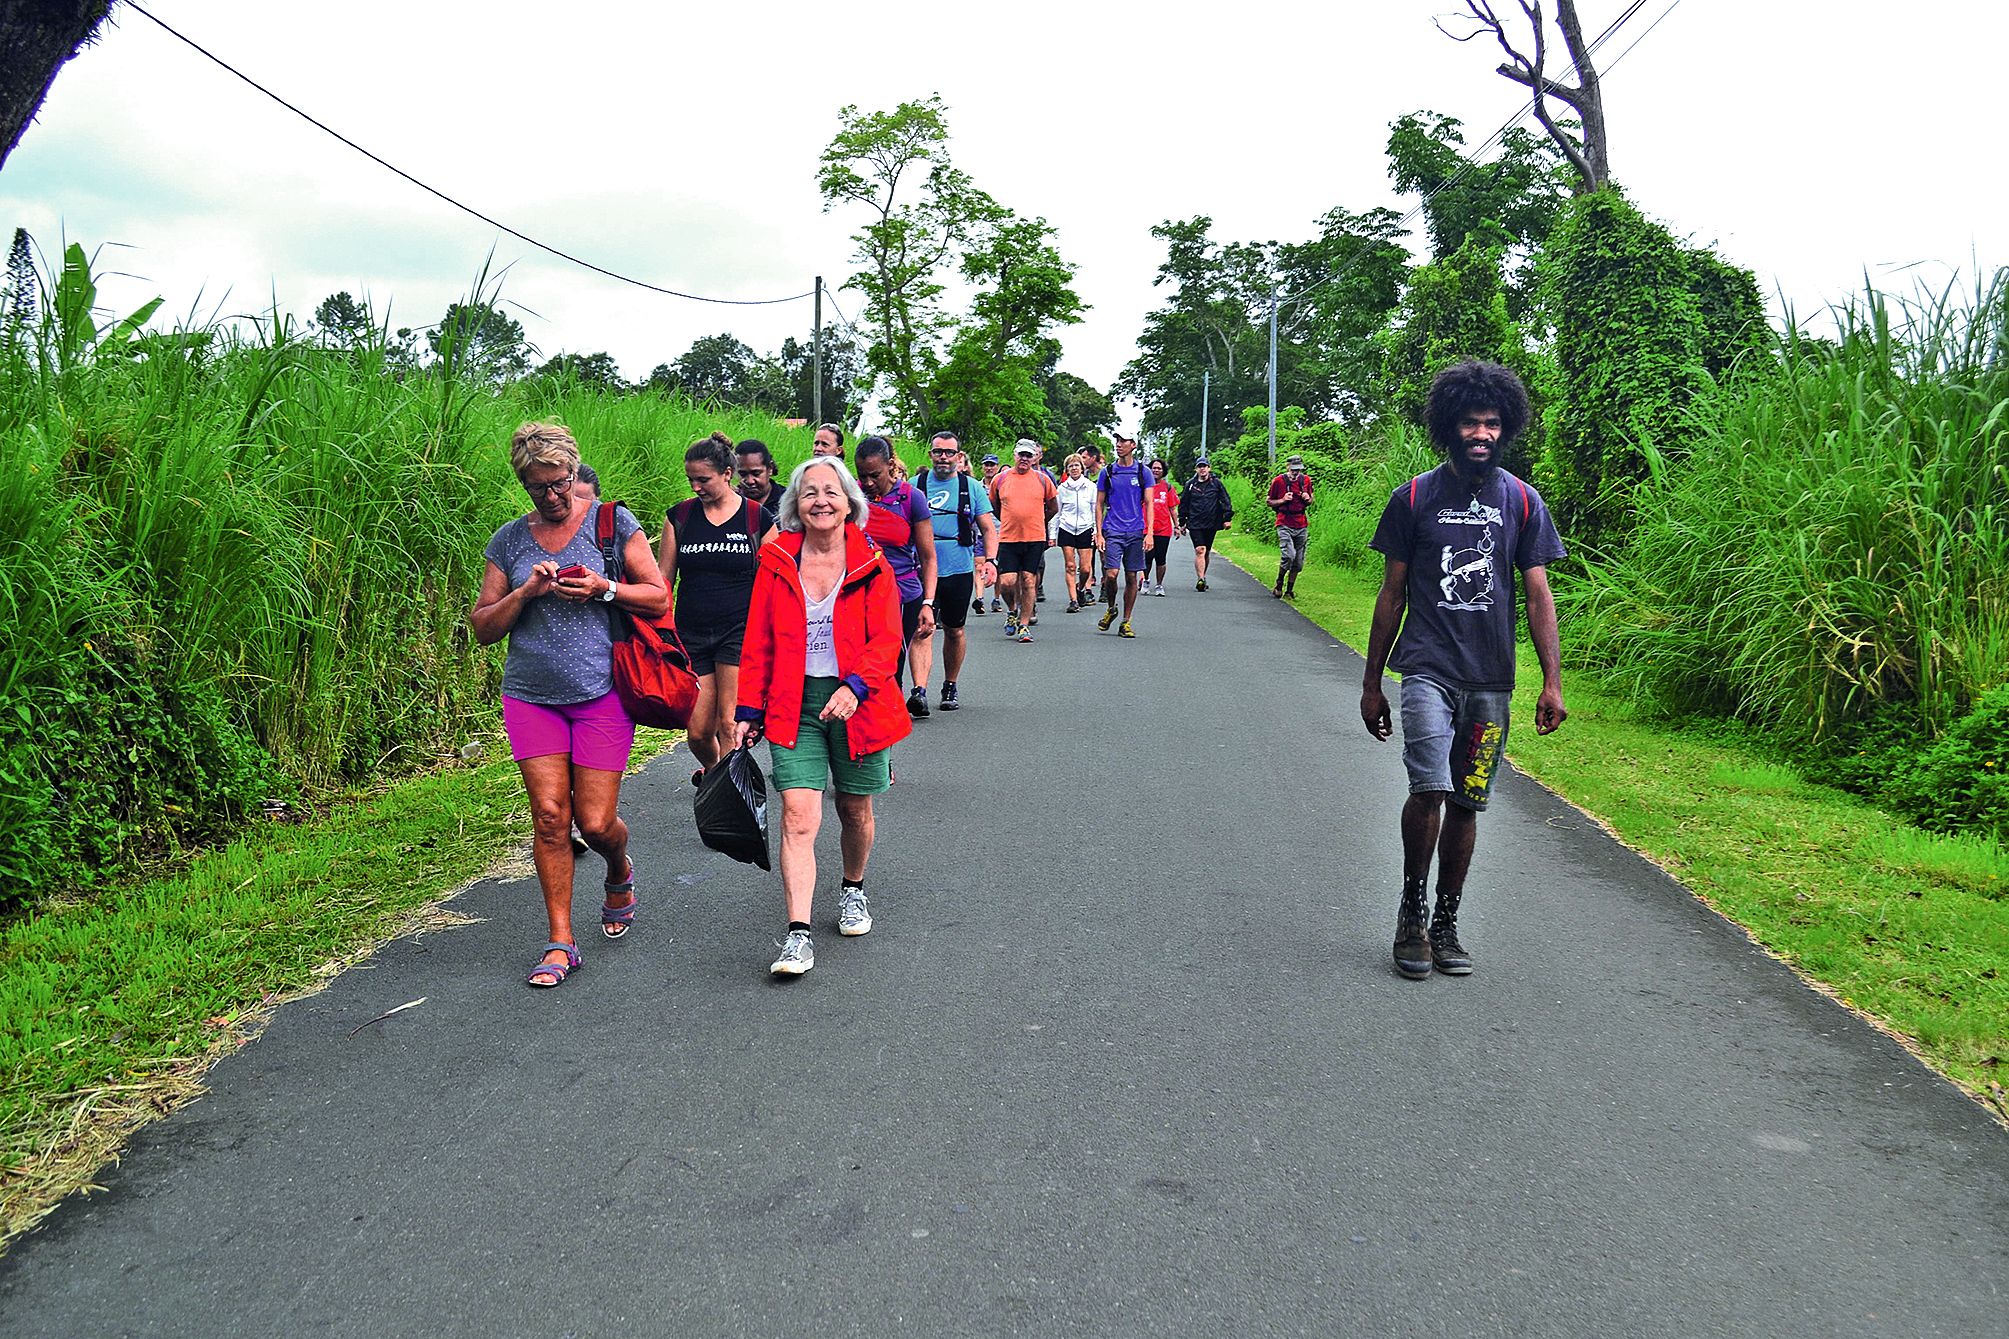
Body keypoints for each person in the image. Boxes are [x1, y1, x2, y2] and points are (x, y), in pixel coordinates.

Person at [1361, 360, 1568, 981]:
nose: (1483, 434)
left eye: (1493, 424)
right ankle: (1411, 911)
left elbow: (1537, 594)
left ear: (1505, 431)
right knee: (1429, 787)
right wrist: (1373, 683)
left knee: (1469, 802)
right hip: (1426, 668)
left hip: (1490, 681)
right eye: (1472, 423)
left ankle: (1447, 921)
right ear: (1449, 429)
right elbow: (1391, 593)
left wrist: (1552, 681)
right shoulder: (1415, 498)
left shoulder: (1523, 501)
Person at [471, 422, 670, 988]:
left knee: (596, 820)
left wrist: (604, 588)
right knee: (552, 817)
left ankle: (618, 866)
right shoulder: (509, 541)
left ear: (573, 473)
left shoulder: (613, 525)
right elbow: (483, 627)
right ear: (524, 484)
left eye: (560, 484)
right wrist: (524, 592)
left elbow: (657, 597)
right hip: (531, 698)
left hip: (601, 695)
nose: (552, 496)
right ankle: (560, 941)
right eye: (538, 488)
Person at [733, 456, 912, 976]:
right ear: (795, 505)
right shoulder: (777, 561)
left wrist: (856, 686)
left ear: (849, 502)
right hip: (795, 705)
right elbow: (758, 640)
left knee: (855, 810)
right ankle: (797, 935)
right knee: (798, 815)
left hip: (861, 703)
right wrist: (748, 707)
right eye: (809, 492)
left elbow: (886, 640)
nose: (821, 501)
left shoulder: (871, 563)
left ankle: (853, 888)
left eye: (831, 492)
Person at [657, 431, 775, 788]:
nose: (696, 487)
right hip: (691, 633)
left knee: (729, 723)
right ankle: (716, 774)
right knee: (696, 731)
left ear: (728, 473)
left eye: (703, 479)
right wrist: (660, 632)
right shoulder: (679, 517)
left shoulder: (757, 518)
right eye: (691, 479)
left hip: (739, 631)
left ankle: (728, 802)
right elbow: (663, 581)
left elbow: (774, 585)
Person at [915, 431, 997, 713]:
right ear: (931, 455)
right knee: (923, 629)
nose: (944, 458)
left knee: (954, 630)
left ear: (959, 457)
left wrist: (991, 561)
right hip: (923, 570)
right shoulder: (917, 486)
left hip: (959, 570)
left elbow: (988, 528)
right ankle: (919, 690)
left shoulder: (971, 487)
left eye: (950, 453)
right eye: (938, 452)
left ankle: (950, 684)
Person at [854, 436, 938, 691]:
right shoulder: (851, 496)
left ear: (890, 465)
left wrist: (928, 603)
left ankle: (889, 718)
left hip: (902, 593)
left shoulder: (911, 498)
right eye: (862, 475)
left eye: (875, 475)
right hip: (859, 591)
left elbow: (928, 556)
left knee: (892, 661)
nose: (868, 482)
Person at [987, 439, 1058, 643]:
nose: (1025, 459)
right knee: (1008, 583)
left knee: (1028, 580)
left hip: (1034, 538)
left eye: (1029, 455)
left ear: (1034, 457)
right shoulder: (1000, 480)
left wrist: (1038, 520)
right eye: (1021, 455)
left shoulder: (1043, 480)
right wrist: (1010, 519)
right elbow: (994, 505)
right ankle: (1012, 610)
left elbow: (1053, 507)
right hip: (1009, 538)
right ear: (1015, 455)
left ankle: (1024, 625)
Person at [1094, 432, 1156, 638]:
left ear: (1133, 445)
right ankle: (1112, 608)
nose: (1119, 445)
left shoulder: (1142, 472)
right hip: (1113, 530)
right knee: (1111, 574)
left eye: (1123, 442)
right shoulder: (1108, 471)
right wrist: (1099, 532)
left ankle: (1126, 621)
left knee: (1132, 575)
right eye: (1117, 441)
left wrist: (1149, 534)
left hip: (1135, 531)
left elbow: (1149, 503)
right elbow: (1099, 503)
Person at [1177, 457, 1232, 591]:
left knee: (1206, 551)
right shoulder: (1191, 485)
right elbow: (1184, 503)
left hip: (1211, 522)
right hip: (1195, 522)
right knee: (1199, 549)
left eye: (1205, 466)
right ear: (1196, 469)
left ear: (1209, 468)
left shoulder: (1216, 484)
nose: (1202, 469)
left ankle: (1203, 576)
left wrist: (1227, 518)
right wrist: (1182, 522)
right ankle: (1200, 579)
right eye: (1200, 466)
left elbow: (1225, 500)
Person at [1054, 452, 1099, 611]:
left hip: (1085, 528)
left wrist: (1096, 531)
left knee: (1085, 568)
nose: (1074, 468)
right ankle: (1073, 600)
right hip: (1066, 527)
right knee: (1070, 566)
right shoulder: (1062, 489)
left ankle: (1080, 588)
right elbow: (1056, 513)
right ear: (1066, 469)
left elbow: (1095, 510)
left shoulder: (1091, 487)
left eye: (1076, 465)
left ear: (1082, 468)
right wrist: (1053, 535)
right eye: (1070, 466)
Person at [1268, 452, 1315, 599]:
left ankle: (1289, 590)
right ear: (1288, 467)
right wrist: (1282, 500)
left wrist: (1308, 499)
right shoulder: (1278, 481)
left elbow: (1311, 499)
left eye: (1298, 469)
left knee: (1299, 562)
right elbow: (1269, 501)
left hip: (1301, 523)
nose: (1296, 472)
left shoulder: (1306, 480)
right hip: (1284, 522)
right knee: (1289, 555)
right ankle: (1279, 583)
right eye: (1293, 469)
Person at [1144, 458, 1181, 596]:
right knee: (1147, 558)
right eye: (1154, 468)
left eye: (1159, 468)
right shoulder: (1145, 486)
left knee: (1161, 558)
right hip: (1147, 529)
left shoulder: (1168, 487)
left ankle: (1159, 585)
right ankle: (1146, 580)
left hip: (1164, 529)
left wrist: (1177, 526)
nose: (1156, 470)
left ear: (1163, 471)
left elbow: (1172, 508)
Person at [977, 453, 1006, 613]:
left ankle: (996, 598)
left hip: (1000, 532)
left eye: (992, 465)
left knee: (999, 567)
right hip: (981, 533)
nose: (989, 468)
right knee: (979, 565)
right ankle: (979, 599)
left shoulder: (1003, 485)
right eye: (986, 465)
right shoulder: (976, 486)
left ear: (997, 466)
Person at [736, 438, 781, 528]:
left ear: (770, 468)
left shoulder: (788, 501)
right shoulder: (730, 503)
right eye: (743, 474)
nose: (750, 481)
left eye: (756, 473)